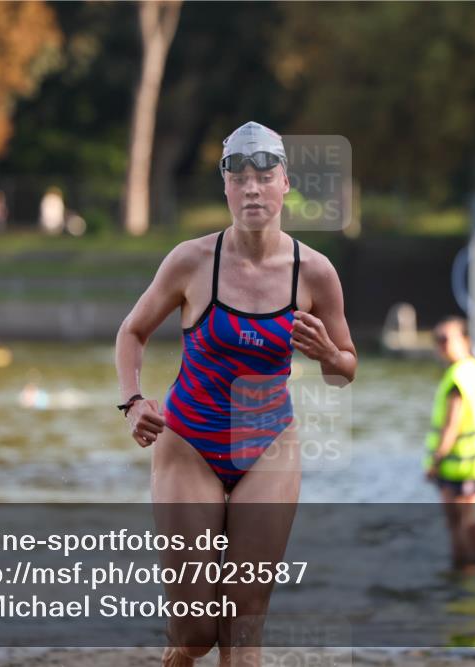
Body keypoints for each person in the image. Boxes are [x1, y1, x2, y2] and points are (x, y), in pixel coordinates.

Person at [114, 121, 357, 667]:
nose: (252, 188)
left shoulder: (315, 272)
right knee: (197, 631)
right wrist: (133, 402)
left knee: (245, 624)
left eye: (264, 176)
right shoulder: (191, 261)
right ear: (224, 186)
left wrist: (327, 355)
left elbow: (345, 370)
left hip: (269, 444)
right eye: (239, 176)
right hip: (189, 442)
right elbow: (131, 332)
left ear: (285, 184)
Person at [423, 316, 475, 571]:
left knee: (463, 527)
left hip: (460, 466)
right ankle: (474, 571)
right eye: (437, 340)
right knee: (471, 526)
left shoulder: (458, 377)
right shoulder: (474, 369)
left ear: (464, 340)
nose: (440, 345)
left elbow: (451, 426)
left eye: (445, 339)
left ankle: (468, 574)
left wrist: (435, 461)